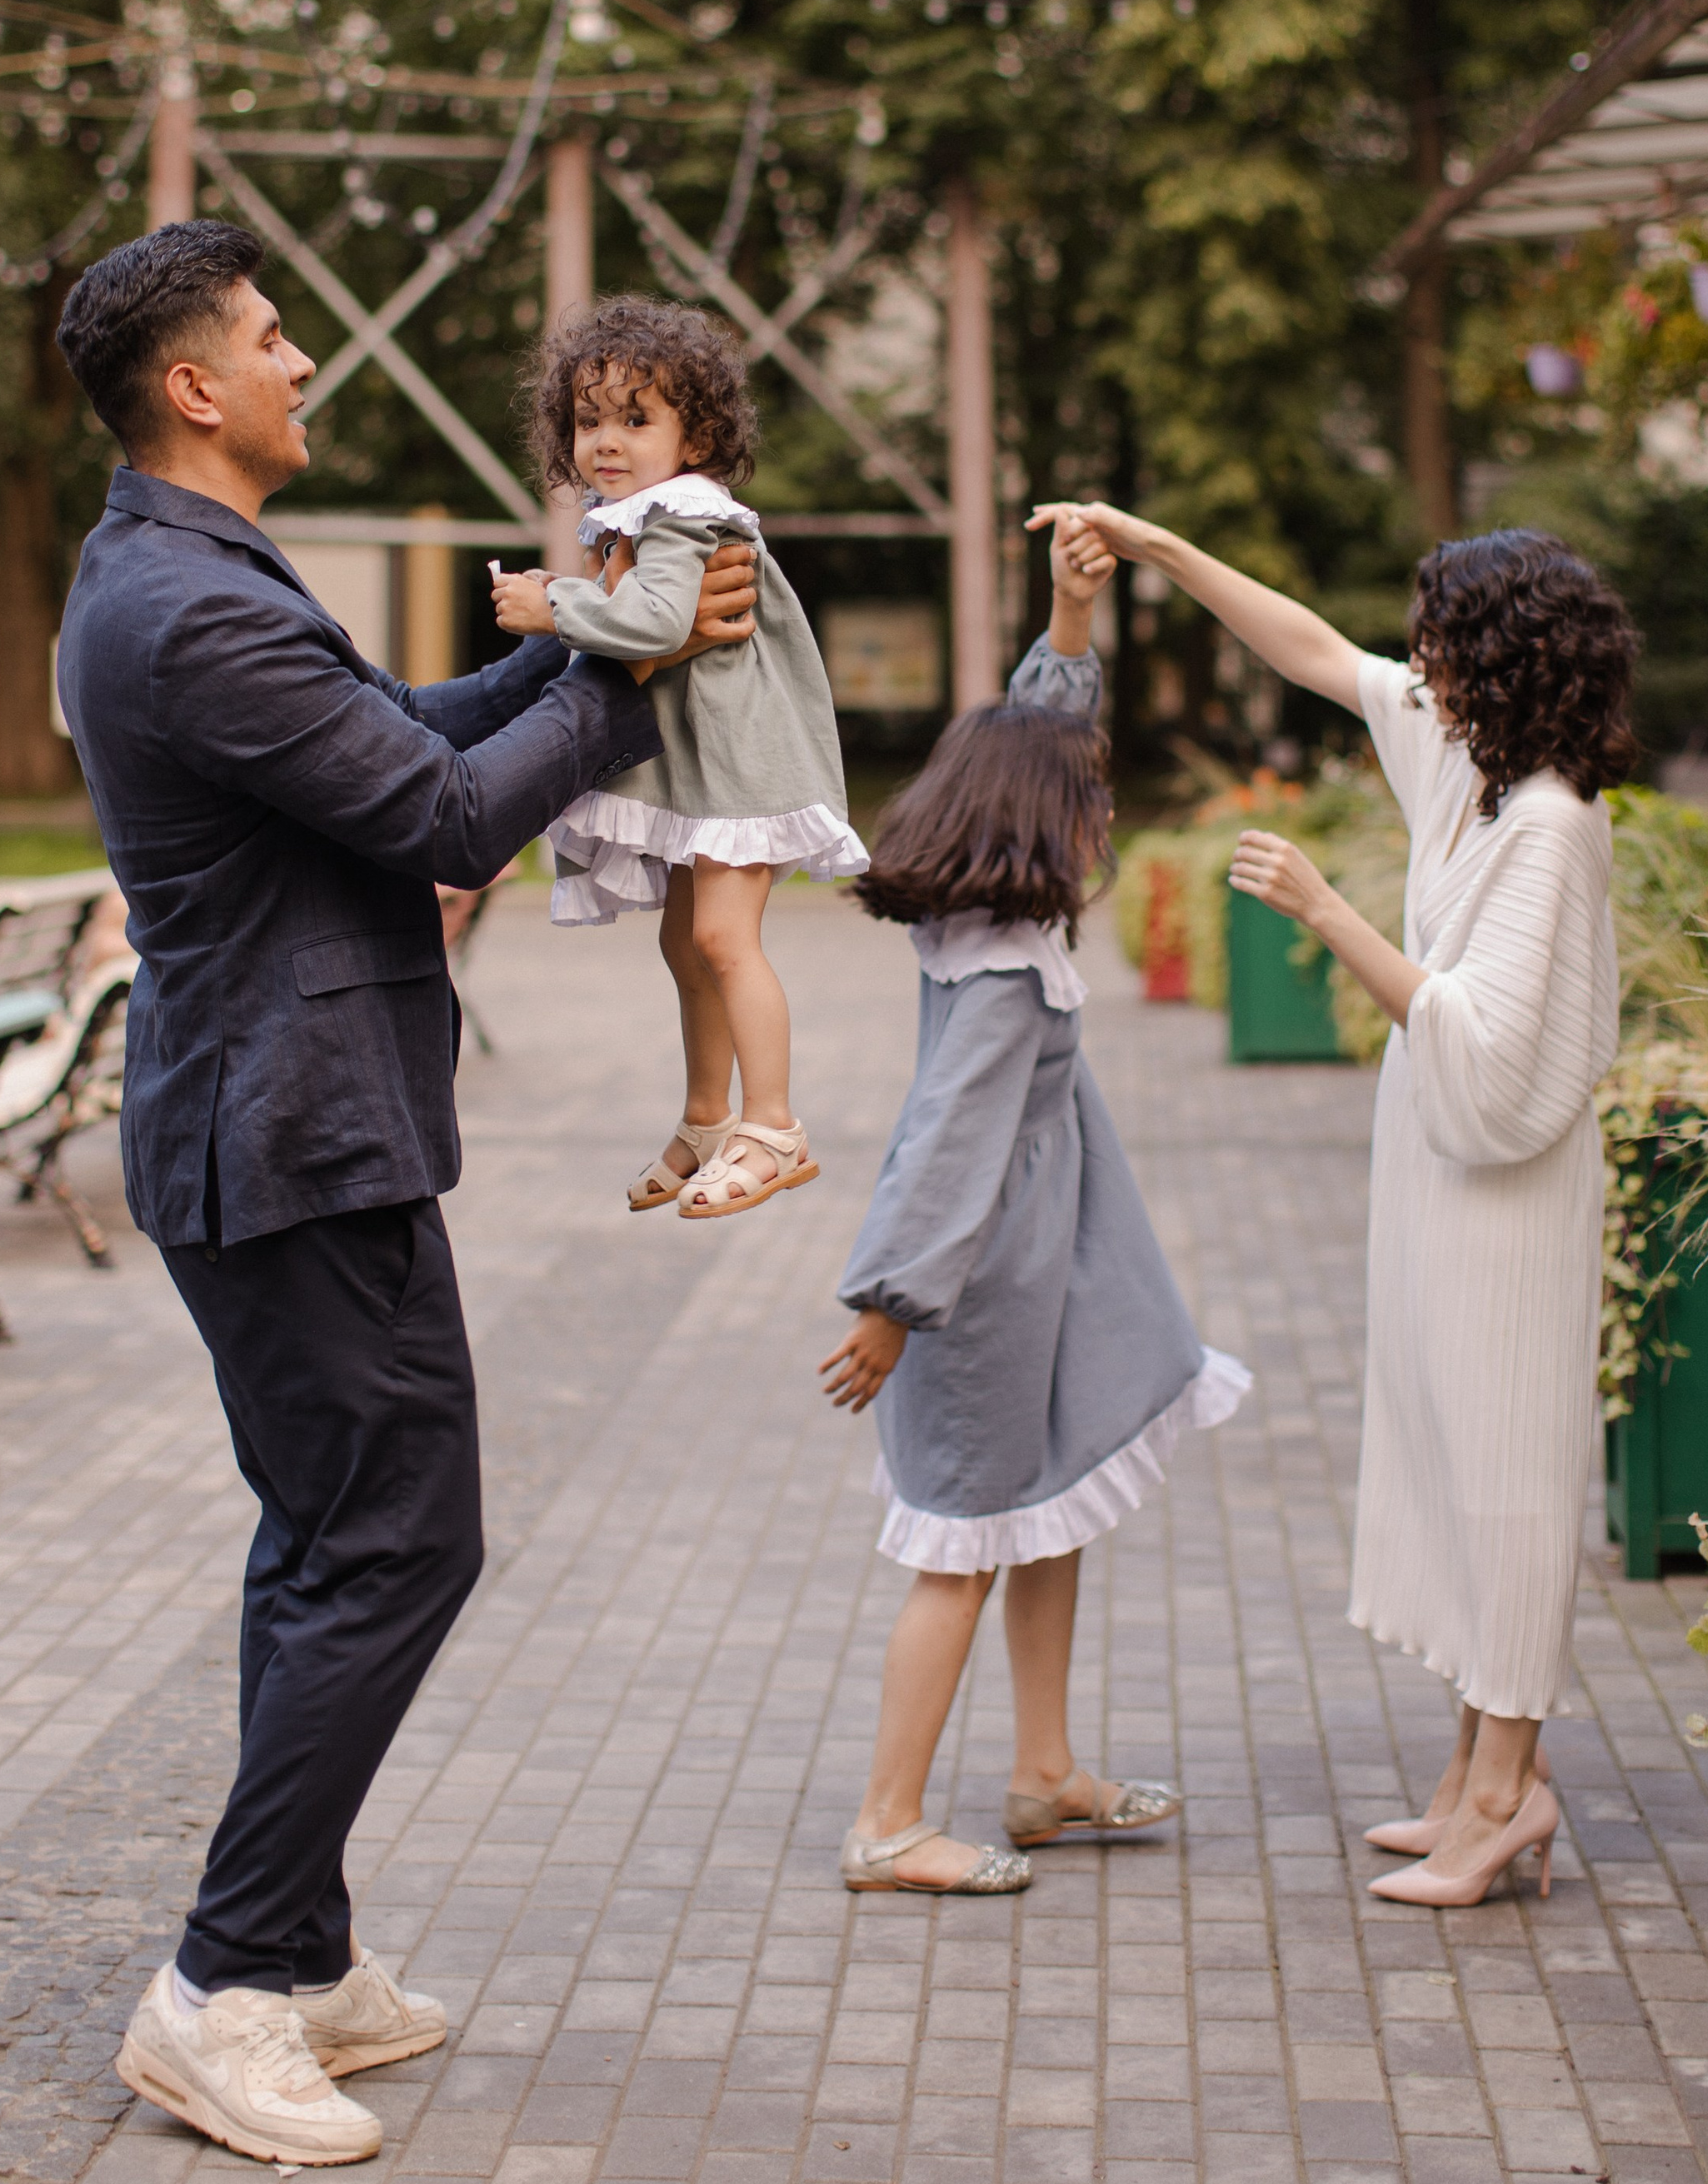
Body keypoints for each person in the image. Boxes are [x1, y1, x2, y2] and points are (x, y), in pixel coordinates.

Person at [50, 221, 756, 2170]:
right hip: (286, 1140)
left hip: (276, 1131)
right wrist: (629, 667)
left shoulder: (184, 571)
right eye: (273, 343)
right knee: (399, 1543)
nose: (304, 365)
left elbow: (403, 740)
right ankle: (217, 1992)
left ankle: (292, 1942)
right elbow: (446, 816)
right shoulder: (189, 607)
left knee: (328, 1535)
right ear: (196, 388)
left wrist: (561, 645)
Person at [1038, 505, 1631, 1910]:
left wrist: (1325, 910)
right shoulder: (1478, 773)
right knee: (1450, 1449)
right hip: (1438, 1170)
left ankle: (1509, 1789)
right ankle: (1472, 1771)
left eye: (1439, 642)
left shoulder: (1543, 826)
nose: (1414, 665)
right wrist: (1161, 554)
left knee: (1512, 1478)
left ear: (1497, 658)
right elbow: (1313, 649)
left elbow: (1488, 1041)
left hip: (1508, 1190)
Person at [817, 511, 1250, 1894]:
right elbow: (948, 1146)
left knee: (1043, 1513)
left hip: (1036, 1273)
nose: (1105, 817)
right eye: (1094, 803)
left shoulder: (990, 920)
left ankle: (1045, 1771)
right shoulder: (1006, 970)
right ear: (1041, 826)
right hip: (985, 1292)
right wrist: (889, 1307)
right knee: (963, 1551)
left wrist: (1069, 621)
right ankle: (890, 1824)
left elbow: (1031, 726)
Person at [490, 294, 865, 1218]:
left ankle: (772, 1125)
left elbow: (658, 622)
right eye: (588, 421)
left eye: (635, 417)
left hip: (742, 768)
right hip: (709, 768)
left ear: (694, 436)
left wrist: (554, 608)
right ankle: (706, 1119)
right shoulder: (635, 522)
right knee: (682, 938)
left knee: (721, 939)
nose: (605, 440)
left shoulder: (688, 515)